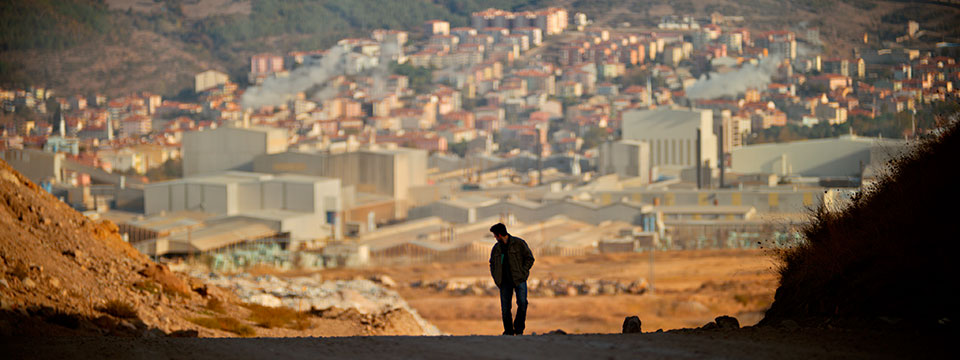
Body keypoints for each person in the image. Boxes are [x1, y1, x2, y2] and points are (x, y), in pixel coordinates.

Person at [489, 222, 535, 335]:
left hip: (519, 280)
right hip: (504, 282)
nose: (494, 237)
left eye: (495, 235)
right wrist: (496, 278)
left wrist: (523, 273)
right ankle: (508, 331)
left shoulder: (519, 243)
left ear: (499, 234)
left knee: (523, 304)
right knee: (505, 308)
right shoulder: (496, 248)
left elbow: (530, 258)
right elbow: (492, 264)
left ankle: (519, 329)